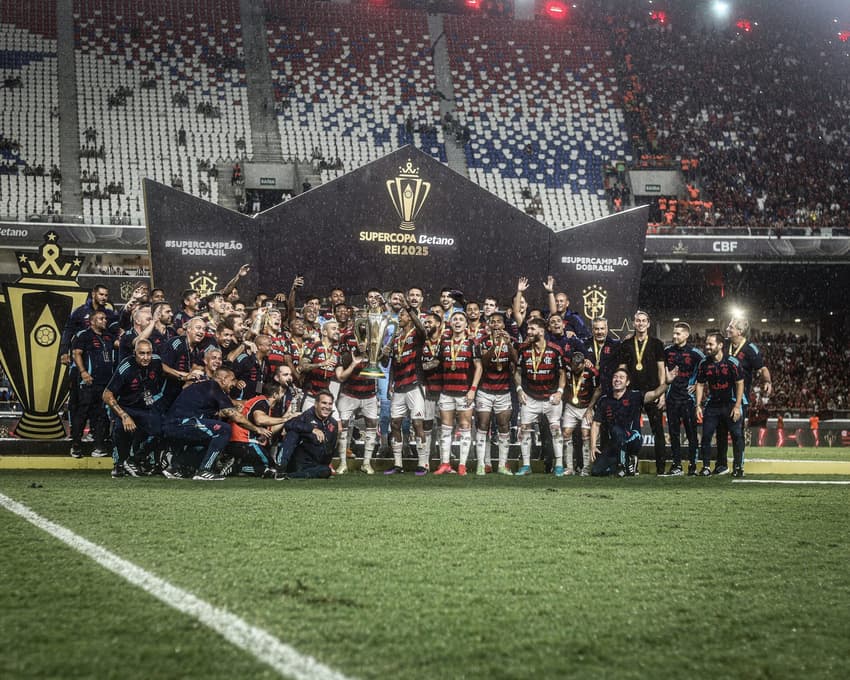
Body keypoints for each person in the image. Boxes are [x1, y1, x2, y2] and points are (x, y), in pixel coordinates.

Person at [162, 367, 271, 480]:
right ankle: (204, 471)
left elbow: (219, 412)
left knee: (209, 437)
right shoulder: (213, 386)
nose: (234, 383)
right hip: (180, 423)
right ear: (223, 379)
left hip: (174, 425)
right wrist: (257, 429)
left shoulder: (204, 388)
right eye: (232, 379)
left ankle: (176, 468)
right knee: (224, 430)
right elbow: (233, 415)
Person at [715, 317, 772, 474]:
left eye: (731, 327)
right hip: (720, 396)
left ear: (739, 331)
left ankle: (738, 466)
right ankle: (721, 465)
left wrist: (767, 381)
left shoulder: (750, 348)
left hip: (739, 399)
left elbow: (762, 368)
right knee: (720, 433)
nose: (727, 329)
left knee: (737, 433)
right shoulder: (724, 345)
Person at [102, 339, 166, 477]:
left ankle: (134, 460)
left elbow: (162, 376)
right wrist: (124, 416)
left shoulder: (156, 362)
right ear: (134, 353)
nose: (146, 357)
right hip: (125, 407)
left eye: (149, 353)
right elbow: (106, 395)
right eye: (142, 353)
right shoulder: (126, 366)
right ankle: (118, 465)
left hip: (145, 408)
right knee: (120, 429)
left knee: (160, 430)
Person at [514, 317, 566, 476]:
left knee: (556, 430)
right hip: (530, 397)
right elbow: (517, 371)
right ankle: (526, 465)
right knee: (524, 430)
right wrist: (519, 389)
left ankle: (559, 465)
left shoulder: (556, 349)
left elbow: (563, 373)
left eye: (532, 329)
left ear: (542, 331)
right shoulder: (523, 349)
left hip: (551, 398)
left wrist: (560, 391)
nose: (528, 332)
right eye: (528, 329)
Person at [590, 368, 667, 476]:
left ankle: (623, 467)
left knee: (617, 430)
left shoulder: (635, 396)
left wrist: (667, 382)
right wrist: (593, 446)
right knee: (596, 471)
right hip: (615, 442)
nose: (617, 380)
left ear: (627, 382)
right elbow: (596, 424)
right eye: (615, 377)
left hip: (633, 438)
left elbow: (655, 393)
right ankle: (628, 462)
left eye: (621, 377)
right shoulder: (604, 400)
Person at [616, 310, 666, 475]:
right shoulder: (626, 345)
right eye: (638, 321)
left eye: (644, 321)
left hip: (652, 392)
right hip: (632, 394)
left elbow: (661, 370)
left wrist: (662, 393)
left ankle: (660, 469)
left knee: (658, 430)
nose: (641, 323)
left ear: (648, 323)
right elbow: (623, 368)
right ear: (634, 323)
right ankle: (631, 466)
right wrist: (622, 390)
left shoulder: (657, 344)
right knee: (630, 431)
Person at [434, 311, 482, 475]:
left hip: (464, 392)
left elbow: (479, 367)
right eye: (455, 319)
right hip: (447, 392)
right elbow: (438, 365)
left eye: (461, 319)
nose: (457, 322)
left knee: (465, 427)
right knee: (445, 428)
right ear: (450, 323)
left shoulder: (472, 343)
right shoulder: (444, 343)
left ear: (466, 324)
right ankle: (445, 464)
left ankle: (462, 465)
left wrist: (472, 390)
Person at [382, 302, 428, 474]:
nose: (399, 317)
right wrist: (389, 384)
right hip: (399, 387)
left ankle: (422, 464)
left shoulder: (417, 334)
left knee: (417, 424)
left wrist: (409, 309)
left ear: (410, 316)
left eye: (402, 315)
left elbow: (423, 330)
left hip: (415, 385)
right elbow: (390, 364)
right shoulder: (395, 338)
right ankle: (398, 464)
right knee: (395, 424)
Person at [695, 332, 745, 477]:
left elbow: (740, 383)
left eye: (710, 344)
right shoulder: (704, 363)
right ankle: (705, 467)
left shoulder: (732, 362)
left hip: (730, 404)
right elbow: (700, 384)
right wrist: (698, 405)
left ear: (720, 345)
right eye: (706, 344)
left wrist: (737, 406)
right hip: (713, 406)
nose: (707, 347)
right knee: (706, 436)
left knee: (737, 435)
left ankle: (738, 467)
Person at [70, 309, 116, 458]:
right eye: (101, 319)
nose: (105, 321)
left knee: (101, 415)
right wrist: (83, 372)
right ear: (92, 321)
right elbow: (76, 354)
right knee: (82, 413)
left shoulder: (109, 336)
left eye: (105, 318)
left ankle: (98, 447)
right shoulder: (84, 335)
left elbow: (120, 345)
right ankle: (76, 445)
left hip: (105, 383)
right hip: (89, 381)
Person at [475, 312, 517, 475]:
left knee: (503, 426)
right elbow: (484, 362)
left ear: (504, 325)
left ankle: (501, 464)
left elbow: (516, 360)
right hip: (485, 390)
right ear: (489, 325)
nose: (496, 324)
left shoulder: (510, 341)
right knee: (483, 425)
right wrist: (495, 346)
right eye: (493, 322)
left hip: (503, 391)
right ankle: (481, 464)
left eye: (499, 322)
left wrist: (508, 345)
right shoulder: (482, 342)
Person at [662, 322, 704, 476]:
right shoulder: (667, 351)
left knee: (691, 433)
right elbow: (661, 372)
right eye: (674, 333)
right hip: (671, 399)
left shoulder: (695, 353)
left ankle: (693, 465)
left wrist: (699, 383)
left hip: (688, 400)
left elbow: (707, 368)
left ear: (686, 335)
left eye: (678, 333)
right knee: (673, 434)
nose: (674, 336)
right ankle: (676, 465)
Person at [334, 332, 378, 475]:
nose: (362, 344)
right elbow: (341, 375)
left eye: (365, 341)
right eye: (359, 342)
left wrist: (370, 352)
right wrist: (354, 361)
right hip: (349, 394)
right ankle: (342, 463)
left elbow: (383, 363)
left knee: (371, 425)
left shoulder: (374, 350)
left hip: (369, 394)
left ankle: (366, 463)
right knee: (343, 427)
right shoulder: (348, 354)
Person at [275, 390, 338, 479]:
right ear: (316, 404)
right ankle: (281, 467)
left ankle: (289, 476)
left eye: (330, 404)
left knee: (326, 471)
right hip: (297, 461)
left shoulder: (333, 423)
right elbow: (289, 424)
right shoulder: (307, 416)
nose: (327, 407)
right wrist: (312, 429)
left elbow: (331, 448)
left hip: (314, 464)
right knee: (293, 432)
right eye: (324, 403)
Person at [561, 350, 600, 476]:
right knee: (566, 433)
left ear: (584, 364)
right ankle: (569, 468)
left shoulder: (592, 372)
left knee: (585, 434)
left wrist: (590, 408)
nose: (575, 368)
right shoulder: (567, 368)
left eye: (578, 366)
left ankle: (587, 468)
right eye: (573, 365)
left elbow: (598, 390)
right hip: (571, 406)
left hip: (586, 407)